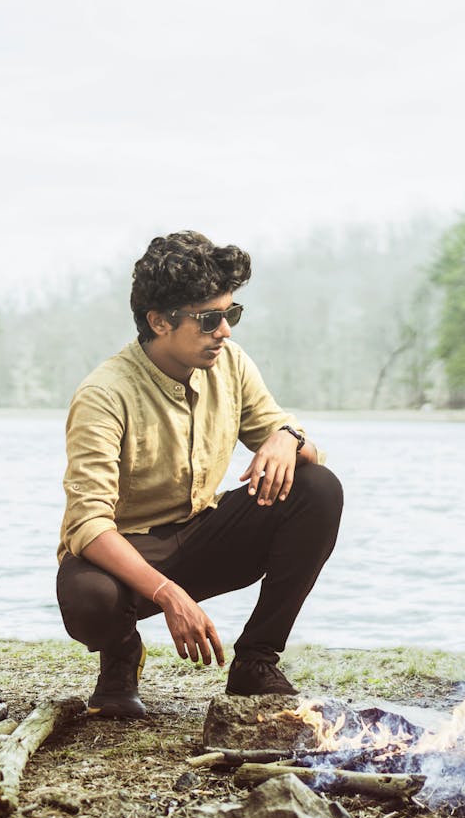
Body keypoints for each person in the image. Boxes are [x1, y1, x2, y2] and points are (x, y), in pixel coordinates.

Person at [56, 230, 344, 718]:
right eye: (210, 319)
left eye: (231, 315)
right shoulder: (104, 394)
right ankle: (121, 653)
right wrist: (169, 596)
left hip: (206, 536)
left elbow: (296, 443)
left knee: (318, 488)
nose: (226, 331)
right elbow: (88, 526)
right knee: (89, 599)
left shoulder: (229, 363)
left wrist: (289, 438)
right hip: (129, 554)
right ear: (159, 322)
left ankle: (255, 661)